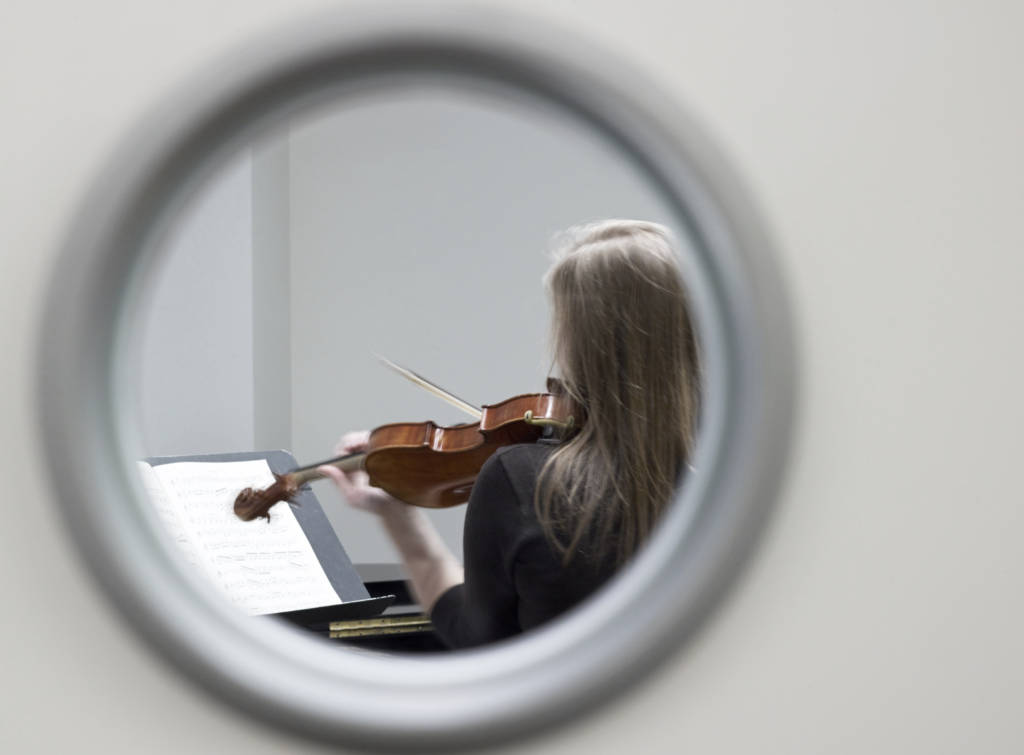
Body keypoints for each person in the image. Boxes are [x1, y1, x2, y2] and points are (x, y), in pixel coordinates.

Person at [319, 219, 702, 649]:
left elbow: (476, 641)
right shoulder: (732, 483)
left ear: (581, 345)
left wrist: (399, 518)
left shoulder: (525, 481)